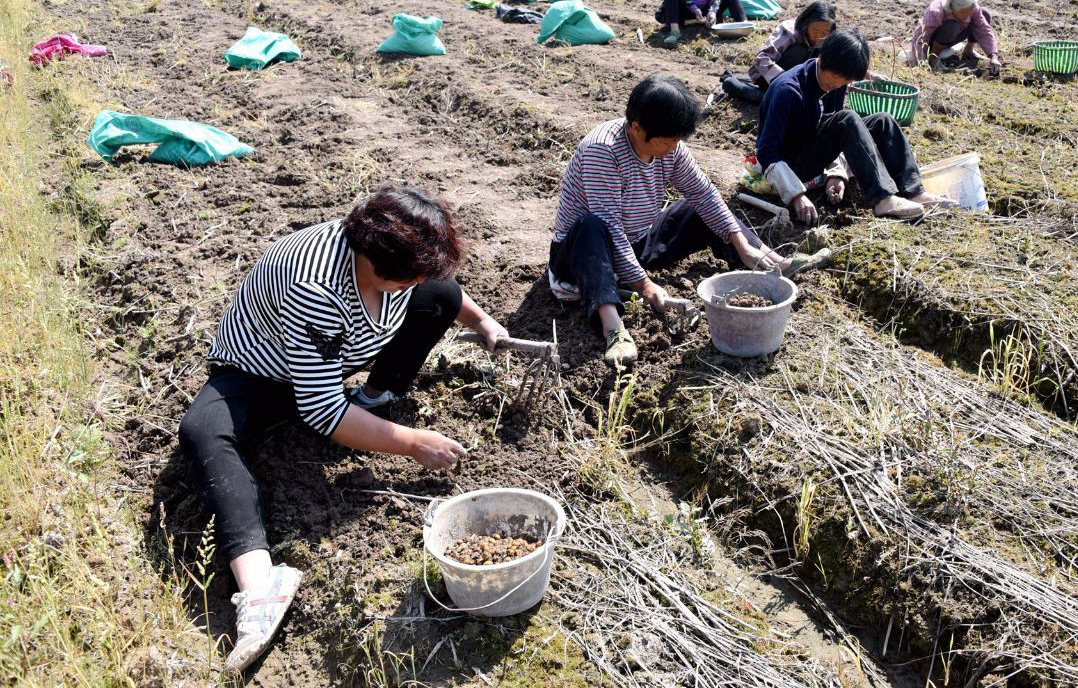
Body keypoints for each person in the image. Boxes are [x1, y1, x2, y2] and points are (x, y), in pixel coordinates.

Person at [178, 186, 508, 674]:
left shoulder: (392, 262)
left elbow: (441, 286)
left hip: (329, 362)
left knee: (438, 295)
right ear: (375, 262)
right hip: (261, 375)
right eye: (409, 275)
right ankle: (260, 583)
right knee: (203, 431)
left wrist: (484, 322)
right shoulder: (315, 284)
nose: (416, 281)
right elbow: (321, 409)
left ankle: (375, 398)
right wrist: (414, 444)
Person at [549, 74, 824, 366]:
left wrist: (741, 242)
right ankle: (613, 328)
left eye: (677, 140)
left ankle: (769, 262)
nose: (673, 148)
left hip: (638, 240)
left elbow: (702, 193)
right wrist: (644, 286)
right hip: (582, 257)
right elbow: (611, 228)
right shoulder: (602, 151)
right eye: (667, 142)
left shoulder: (671, 147)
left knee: (694, 208)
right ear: (637, 128)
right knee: (592, 227)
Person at [757, 30, 952, 223]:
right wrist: (796, 194)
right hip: (791, 165)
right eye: (836, 77)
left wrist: (836, 173)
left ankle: (914, 191)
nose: (839, 83)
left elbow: (831, 129)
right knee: (847, 119)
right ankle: (882, 198)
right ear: (822, 59)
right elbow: (766, 152)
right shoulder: (789, 91)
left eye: (846, 80)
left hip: (812, 148)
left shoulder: (835, 82)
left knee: (883, 121)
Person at [720, 1, 838, 105]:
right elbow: (762, 59)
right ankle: (736, 85)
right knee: (799, 51)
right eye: (815, 30)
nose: (819, 37)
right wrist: (788, 84)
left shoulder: (827, 39)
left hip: (797, 82)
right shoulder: (789, 32)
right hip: (770, 78)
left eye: (825, 33)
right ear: (806, 24)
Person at [910, 0, 1002, 76]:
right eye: (964, 13)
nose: (967, 17)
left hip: (953, 37)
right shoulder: (936, 10)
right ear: (953, 8)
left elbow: (984, 29)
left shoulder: (972, 6)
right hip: (933, 42)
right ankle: (934, 57)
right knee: (952, 25)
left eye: (969, 13)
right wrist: (920, 62)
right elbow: (920, 37)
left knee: (985, 14)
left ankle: (969, 50)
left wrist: (993, 56)